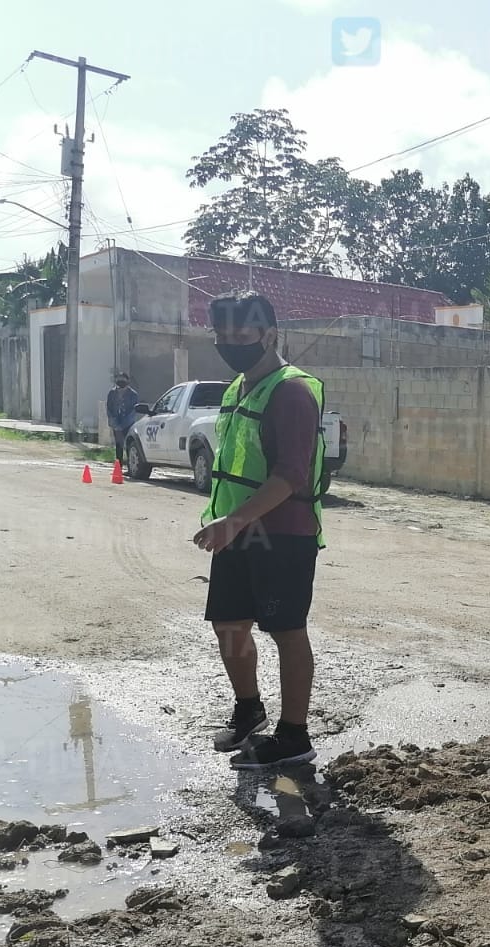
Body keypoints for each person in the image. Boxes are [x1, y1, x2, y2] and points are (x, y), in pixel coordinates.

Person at [192, 290, 327, 769]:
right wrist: (226, 523)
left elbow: (290, 476)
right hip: (238, 530)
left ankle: (294, 736)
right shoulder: (237, 388)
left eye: (240, 335)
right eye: (221, 335)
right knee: (228, 624)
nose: (229, 343)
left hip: (283, 533)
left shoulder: (292, 391)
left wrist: (235, 520)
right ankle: (249, 710)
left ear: (270, 335)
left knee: (286, 629)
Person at [106, 372, 141, 455]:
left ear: (128, 381)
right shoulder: (112, 393)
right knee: (118, 445)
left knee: (129, 444)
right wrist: (114, 422)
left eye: (123, 379)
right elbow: (109, 408)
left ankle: (130, 463)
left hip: (128, 424)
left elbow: (133, 410)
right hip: (116, 423)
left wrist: (123, 425)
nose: (121, 381)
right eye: (119, 379)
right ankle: (119, 465)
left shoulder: (133, 394)